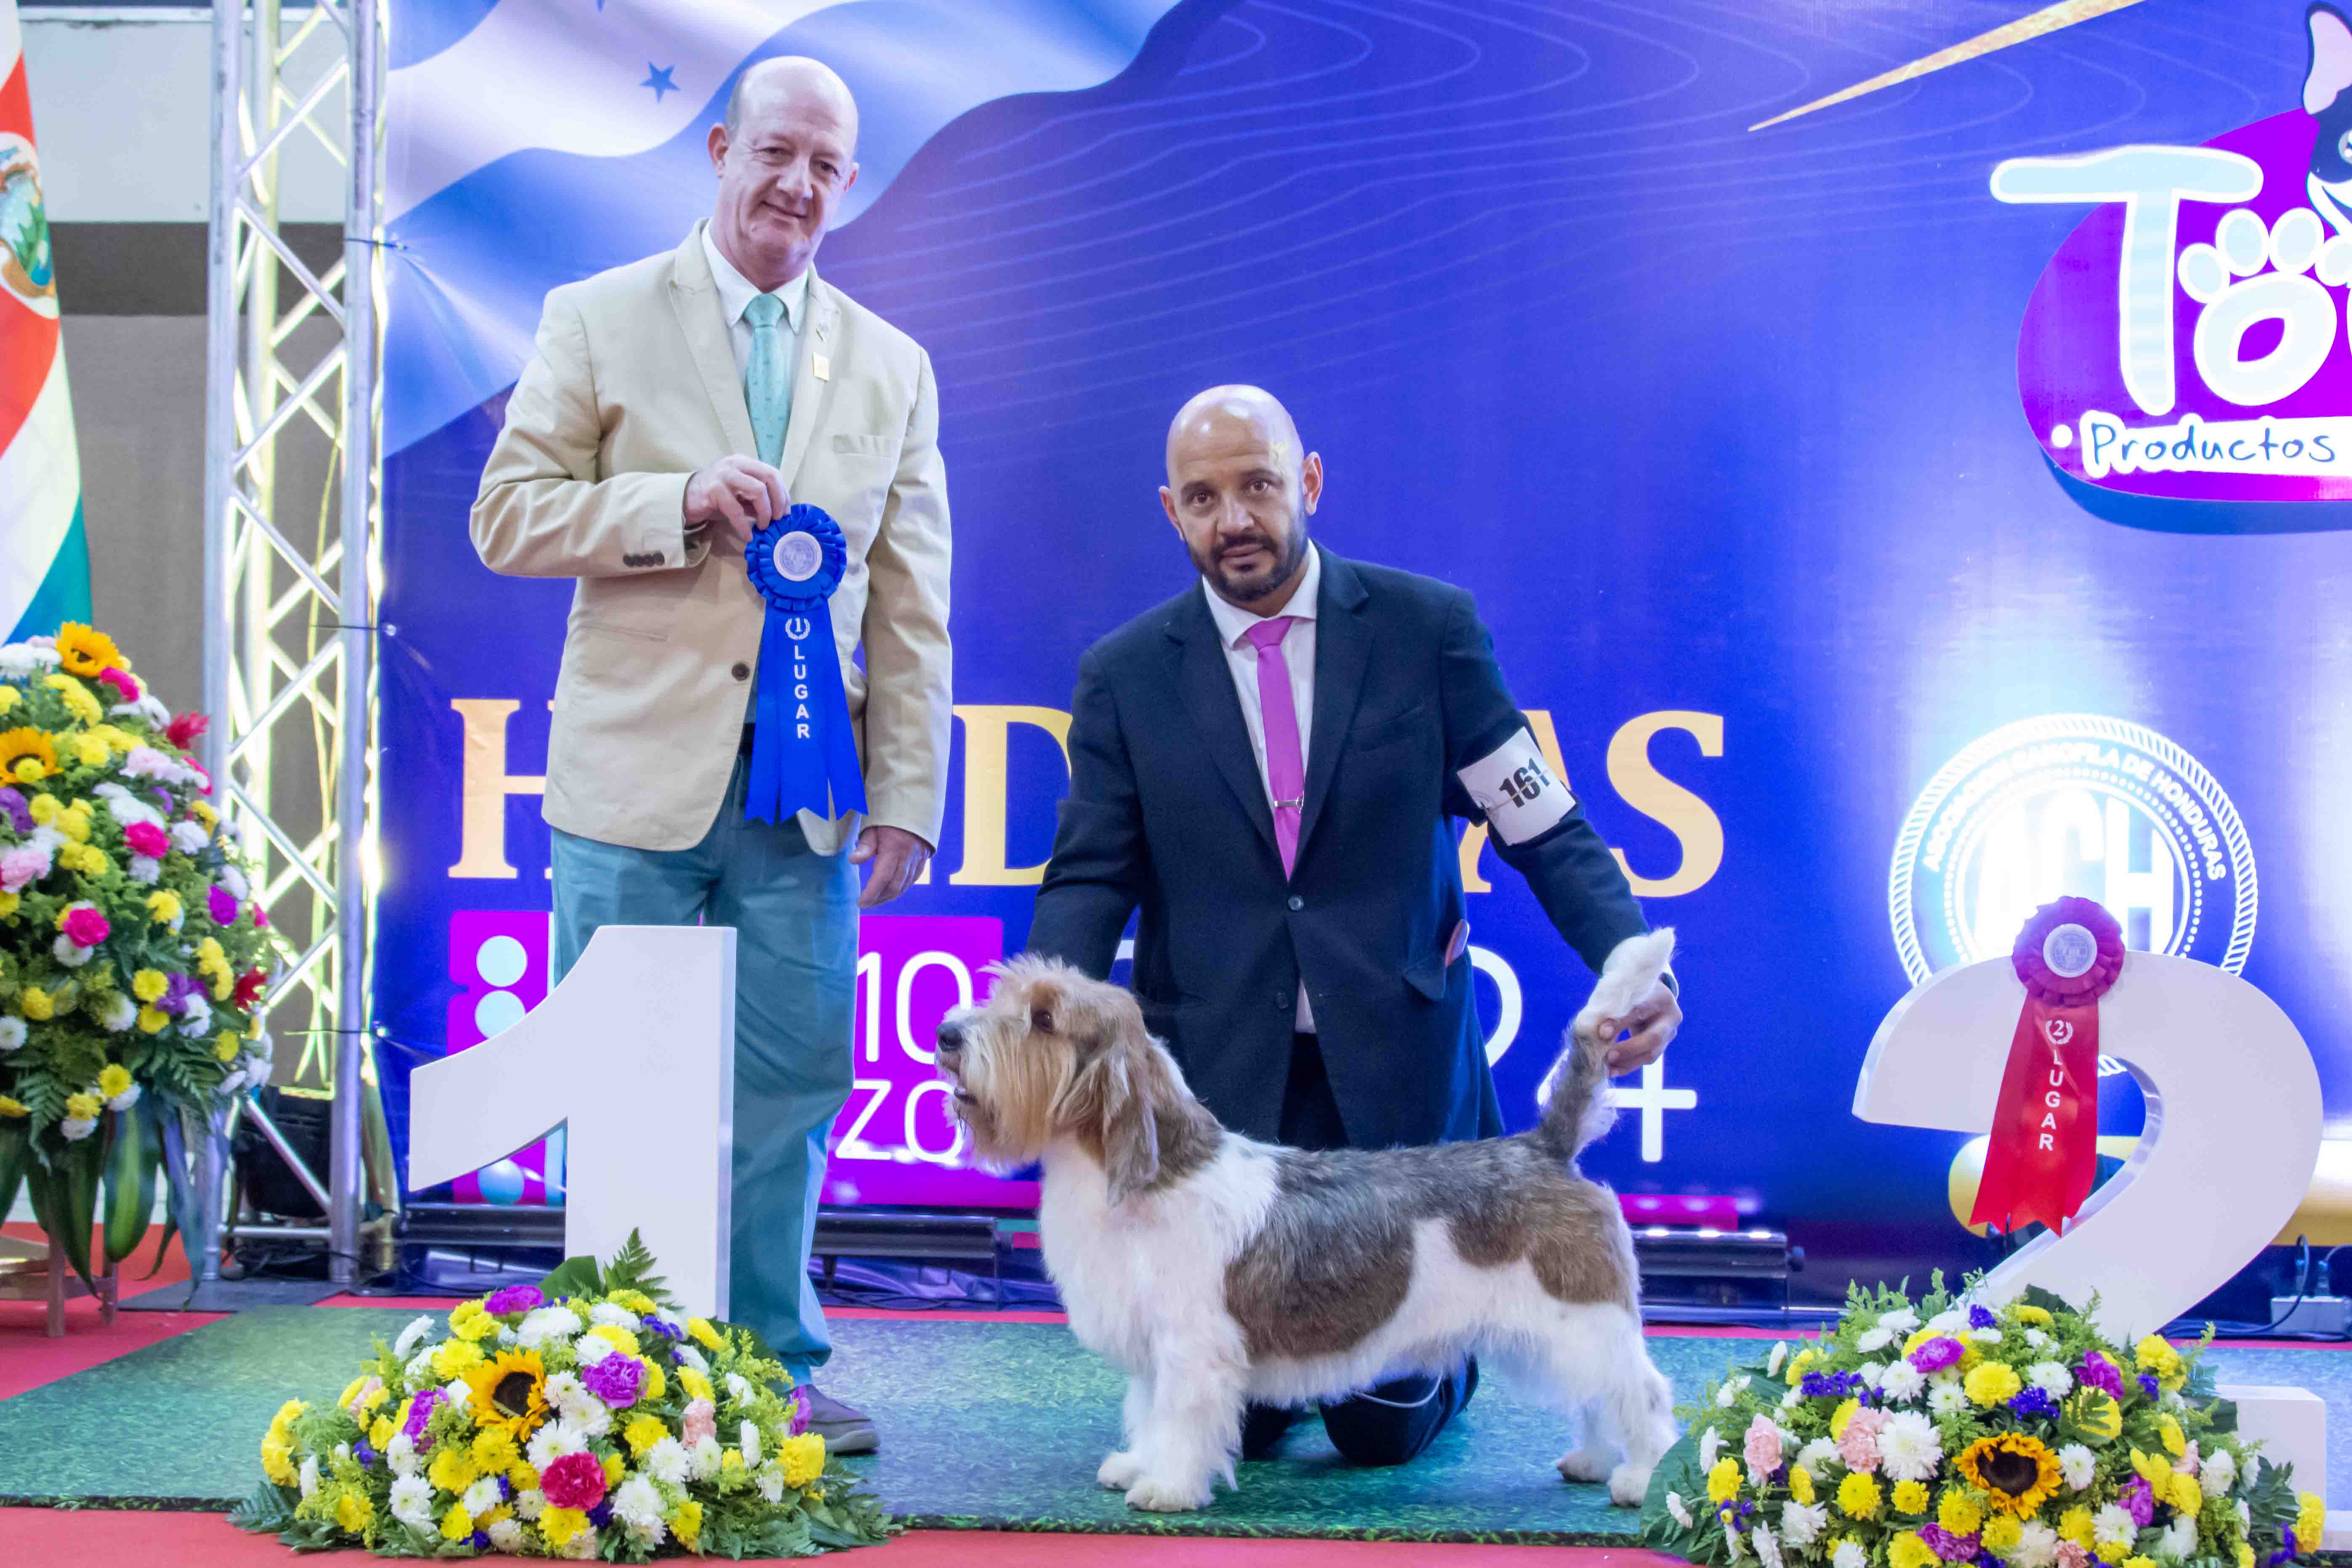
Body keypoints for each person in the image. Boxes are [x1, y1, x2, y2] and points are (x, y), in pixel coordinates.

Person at [1025, 384, 1680, 1468]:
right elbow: (1089, 876)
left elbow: (1540, 824)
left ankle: (1446, 1353)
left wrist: (1631, 964)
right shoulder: (1125, 676)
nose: (1235, 519)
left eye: (1258, 486)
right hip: (1227, 1102)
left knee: (1379, 1430)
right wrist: (1041, 1021)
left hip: (1399, 1084)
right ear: (1171, 511)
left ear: (1310, 482)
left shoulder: (1428, 631)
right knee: (1244, 1409)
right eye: (1203, 498)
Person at [470, 57, 951, 1453]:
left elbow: (910, 601)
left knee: (793, 1081)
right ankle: (615, 1372)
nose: (796, 184)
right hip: (630, 786)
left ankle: (771, 1365)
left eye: (825, 166)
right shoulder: (595, 315)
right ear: (721, 148)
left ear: (847, 184)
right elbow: (508, 516)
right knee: (621, 1080)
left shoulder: (893, 364)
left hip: (805, 800)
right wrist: (673, 501)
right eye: (776, 152)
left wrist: (906, 789)